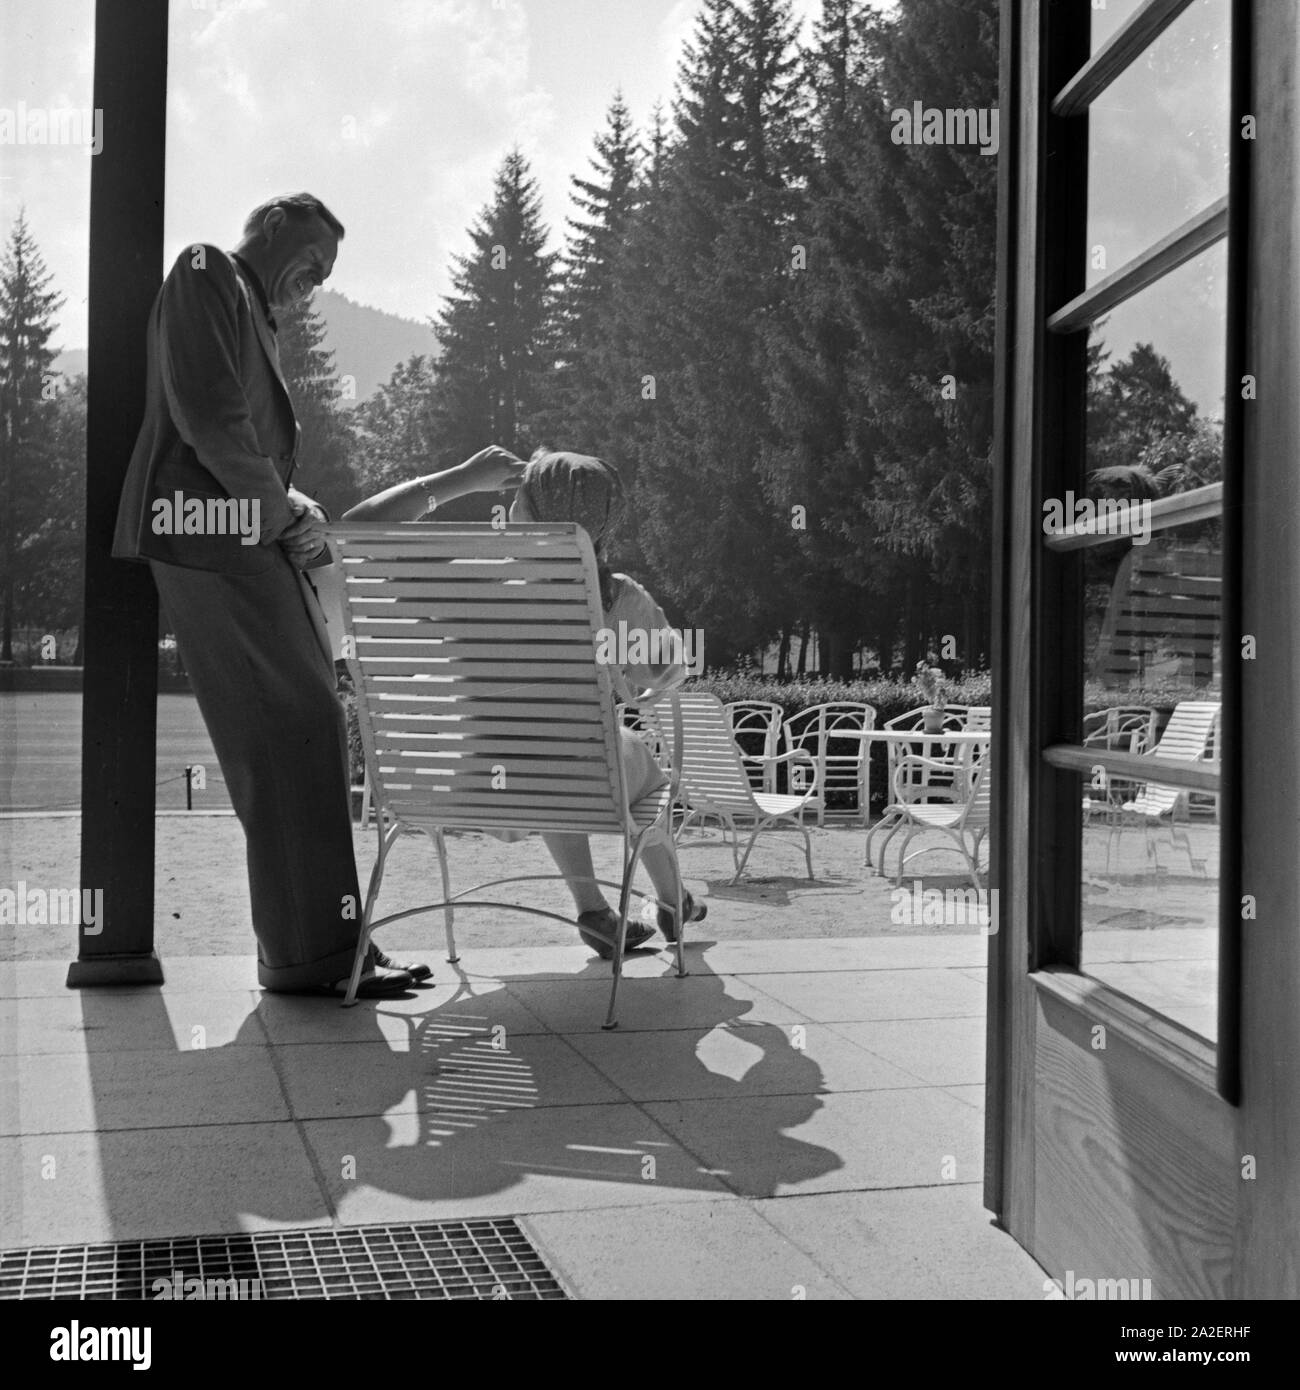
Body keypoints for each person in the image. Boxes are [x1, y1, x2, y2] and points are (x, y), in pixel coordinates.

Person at [112, 193, 422, 997]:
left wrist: (292, 504)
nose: (316, 282)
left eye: (326, 276)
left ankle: (327, 945)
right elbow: (212, 421)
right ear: (278, 223)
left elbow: (236, 434)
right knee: (290, 733)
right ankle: (311, 959)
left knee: (308, 724)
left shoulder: (246, 299)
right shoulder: (207, 271)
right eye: (314, 261)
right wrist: (283, 512)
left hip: (237, 534)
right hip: (208, 536)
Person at [343, 448, 707, 957]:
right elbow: (667, 676)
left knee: (543, 753)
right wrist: (625, 685)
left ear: (522, 511)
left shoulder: (467, 583)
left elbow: (357, 527)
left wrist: (462, 477)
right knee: (623, 754)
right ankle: (673, 902)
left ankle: (594, 911)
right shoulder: (618, 599)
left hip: (475, 786)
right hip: (583, 784)